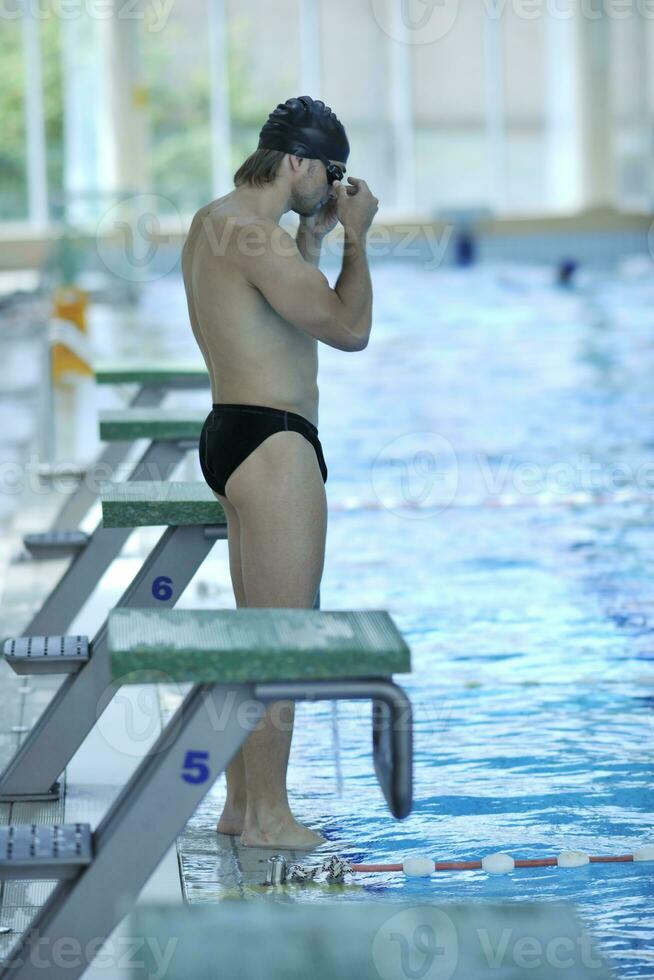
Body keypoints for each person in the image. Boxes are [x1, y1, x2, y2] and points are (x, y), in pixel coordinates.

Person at [181, 95, 378, 849]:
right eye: (331, 174)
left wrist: (314, 238)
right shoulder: (258, 240)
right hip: (276, 446)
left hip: (234, 432)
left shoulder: (216, 223)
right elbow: (348, 329)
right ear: (296, 161)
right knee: (283, 641)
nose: (333, 191)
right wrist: (356, 243)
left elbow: (277, 321)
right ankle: (268, 816)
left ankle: (243, 806)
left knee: (256, 635)